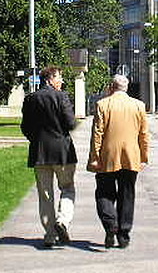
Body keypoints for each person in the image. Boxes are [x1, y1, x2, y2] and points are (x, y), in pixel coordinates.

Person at [87, 74, 150, 249]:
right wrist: (144, 157)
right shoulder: (138, 106)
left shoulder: (102, 104)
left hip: (108, 157)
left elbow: (97, 134)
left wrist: (94, 158)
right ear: (126, 88)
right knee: (127, 195)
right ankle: (123, 235)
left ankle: (110, 224)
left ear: (111, 87)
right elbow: (144, 135)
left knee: (104, 193)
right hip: (131, 157)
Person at [21, 65, 77, 247]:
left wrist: (36, 139)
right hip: (62, 152)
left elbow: (25, 127)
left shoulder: (30, 99)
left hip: (39, 153)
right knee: (67, 188)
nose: (61, 81)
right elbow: (70, 123)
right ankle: (62, 220)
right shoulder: (62, 97)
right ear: (49, 79)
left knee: (45, 195)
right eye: (59, 77)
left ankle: (50, 235)